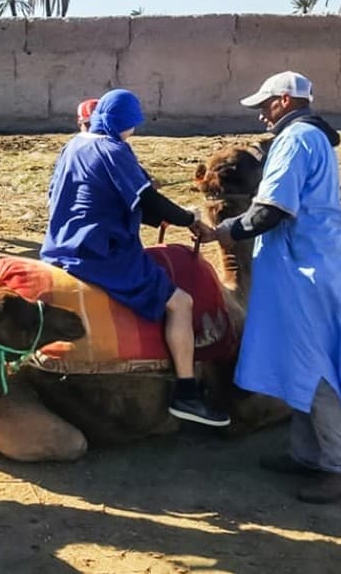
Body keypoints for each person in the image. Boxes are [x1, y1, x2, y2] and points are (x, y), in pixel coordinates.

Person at [41, 88, 230, 426]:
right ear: (126, 123)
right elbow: (148, 203)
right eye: (133, 124)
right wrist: (191, 220)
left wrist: (163, 211)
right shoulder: (115, 149)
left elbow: (111, 199)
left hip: (59, 246)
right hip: (98, 253)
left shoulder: (74, 145)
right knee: (181, 302)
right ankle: (186, 392)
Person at [217, 71, 341, 504]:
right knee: (299, 362)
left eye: (265, 104)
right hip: (306, 265)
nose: (261, 113)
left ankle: (339, 464)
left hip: (306, 272)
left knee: (316, 367)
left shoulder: (296, 140)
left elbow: (272, 209)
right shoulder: (307, 138)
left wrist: (225, 230)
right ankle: (306, 454)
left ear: (284, 100)